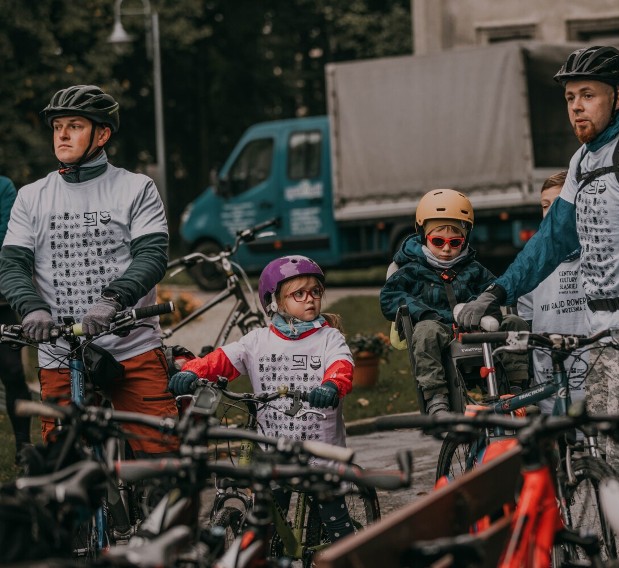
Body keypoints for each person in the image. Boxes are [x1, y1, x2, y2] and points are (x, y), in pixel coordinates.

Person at [457, 45, 619, 475]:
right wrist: (495, 291)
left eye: (588, 95)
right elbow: (551, 240)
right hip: (597, 333)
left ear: (617, 96)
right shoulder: (582, 160)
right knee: (608, 461)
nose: (577, 107)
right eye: (570, 97)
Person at [0, 85, 178, 457]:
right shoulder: (32, 196)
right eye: (57, 126)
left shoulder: (136, 188)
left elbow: (151, 256)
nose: (62, 134)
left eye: (74, 125)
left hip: (130, 346)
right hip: (61, 353)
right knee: (63, 468)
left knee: (164, 462)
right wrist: (32, 308)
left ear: (102, 134)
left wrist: (113, 299)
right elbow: (13, 264)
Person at [168, 255, 357, 540]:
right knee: (267, 524)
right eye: (299, 294)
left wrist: (331, 385)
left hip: (320, 453)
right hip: (273, 451)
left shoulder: (329, 338)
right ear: (275, 303)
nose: (310, 299)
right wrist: (193, 372)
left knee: (337, 526)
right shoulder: (257, 341)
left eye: (315, 292)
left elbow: (341, 365)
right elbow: (220, 360)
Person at [380, 189, 529, 415]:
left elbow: (495, 291)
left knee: (514, 323)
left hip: (476, 328)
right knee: (426, 331)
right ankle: (436, 397)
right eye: (438, 241)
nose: (447, 249)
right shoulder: (412, 270)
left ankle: (517, 388)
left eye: (455, 241)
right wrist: (425, 313)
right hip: (440, 330)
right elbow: (390, 297)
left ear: (465, 239)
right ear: (423, 237)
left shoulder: (474, 269)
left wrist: (481, 309)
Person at [516, 171, 587, 415]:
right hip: (548, 377)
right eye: (545, 206)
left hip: (591, 373)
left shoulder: (593, 253)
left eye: (558, 205)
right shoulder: (533, 262)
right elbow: (525, 319)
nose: (550, 213)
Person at [0, 174, 31, 461]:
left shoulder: (3, 187)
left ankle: (23, 445)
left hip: (1, 300)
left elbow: (7, 239)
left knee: (11, 370)